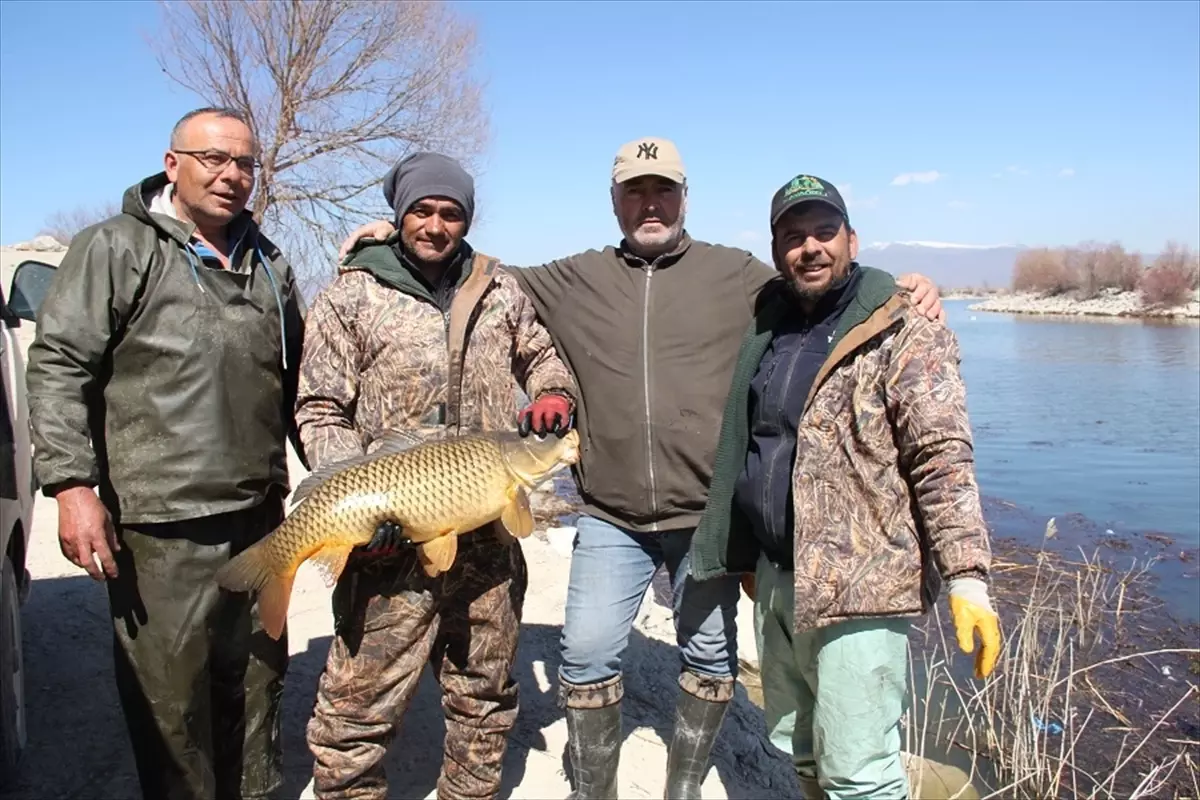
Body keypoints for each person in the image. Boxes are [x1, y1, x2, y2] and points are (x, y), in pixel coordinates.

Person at [338, 138, 946, 799]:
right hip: (610, 516)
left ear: (685, 197)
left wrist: (899, 286)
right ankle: (594, 789)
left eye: (663, 190)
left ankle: (682, 788)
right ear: (615, 202)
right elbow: (478, 274)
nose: (649, 203)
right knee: (587, 654)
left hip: (705, 517)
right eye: (635, 191)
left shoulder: (736, 273)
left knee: (712, 657)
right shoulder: (574, 277)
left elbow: (820, 280)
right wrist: (388, 242)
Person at [25, 106, 307, 800]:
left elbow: (305, 383)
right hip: (160, 529)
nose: (232, 176)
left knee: (256, 685)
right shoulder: (118, 248)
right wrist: (72, 485)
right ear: (173, 162)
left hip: (259, 518)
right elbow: (60, 364)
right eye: (214, 159)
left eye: (245, 163)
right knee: (170, 707)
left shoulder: (269, 265)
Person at [689, 173, 1001, 799]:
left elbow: (942, 458)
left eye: (825, 232)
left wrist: (968, 577)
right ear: (777, 250)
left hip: (863, 587)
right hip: (778, 580)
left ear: (852, 240)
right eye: (794, 235)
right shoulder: (770, 324)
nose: (811, 247)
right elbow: (760, 443)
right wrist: (749, 552)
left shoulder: (905, 327)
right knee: (802, 751)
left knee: (861, 773)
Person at [296, 151, 579, 800]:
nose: (435, 224)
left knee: (484, 700)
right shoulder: (352, 294)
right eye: (421, 210)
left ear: (466, 219)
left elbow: (543, 358)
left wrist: (552, 393)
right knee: (355, 712)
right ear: (399, 217)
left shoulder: (499, 288)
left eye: (450, 213)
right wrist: (354, 499)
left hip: (485, 541)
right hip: (388, 543)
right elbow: (319, 407)